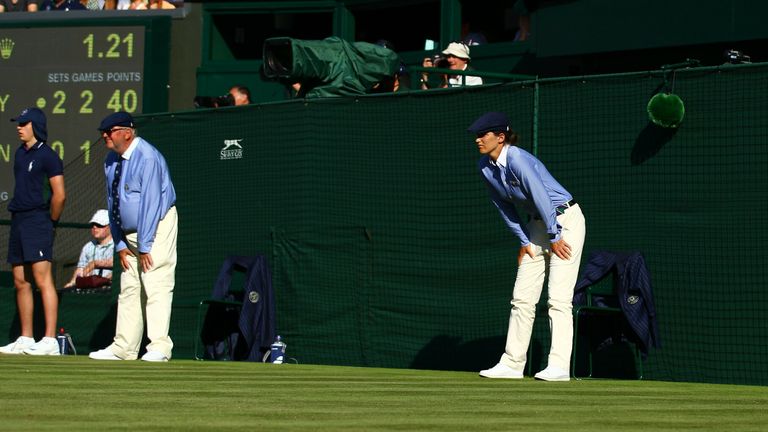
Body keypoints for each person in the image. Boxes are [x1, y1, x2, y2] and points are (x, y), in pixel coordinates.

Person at [470, 112, 586, 381]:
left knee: (558, 298)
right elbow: (502, 205)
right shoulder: (484, 166)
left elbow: (541, 195)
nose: (477, 140)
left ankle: (558, 367)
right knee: (522, 297)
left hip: (563, 220)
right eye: (476, 136)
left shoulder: (518, 159)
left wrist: (555, 236)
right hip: (537, 227)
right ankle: (512, 363)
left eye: (482, 135)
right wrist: (524, 240)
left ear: (500, 137)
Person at [88, 112, 178, 362]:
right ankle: (124, 347)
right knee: (129, 287)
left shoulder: (147, 157)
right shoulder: (110, 160)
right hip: (128, 235)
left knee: (156, 282)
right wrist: (118, 242)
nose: (105, 135)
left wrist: (146, 245)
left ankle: (159, 347)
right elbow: (112, 202)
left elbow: (151, 203)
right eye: (103, 132)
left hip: (157, 227)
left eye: (110, 131)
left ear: (127, 132)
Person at [0, 107, 66, 356]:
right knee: (20, 281)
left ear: (35, 126)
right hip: (18, 220)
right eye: (18, 123)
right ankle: (26, 338)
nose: (19, 127)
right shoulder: (19, 154)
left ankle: (49, 341)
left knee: (42, 279)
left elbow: (59, 195)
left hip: (38, 221)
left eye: (23, 123)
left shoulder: (48, 156)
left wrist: (50, 222)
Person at [63, 209, 114, 289]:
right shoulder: (88, 247)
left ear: (110, 226)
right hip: (90, 288)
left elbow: (117, 268)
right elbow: (80, 269)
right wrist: (72, 282)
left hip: (110, 289)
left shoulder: (118, 246)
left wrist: (103, 280)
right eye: (93, 224)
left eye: (99, 225)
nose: (94, 227)